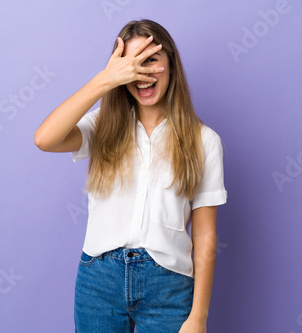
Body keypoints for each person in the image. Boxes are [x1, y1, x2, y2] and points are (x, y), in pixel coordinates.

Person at [35, 19, 227, 333]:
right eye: (130, 62)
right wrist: (104, 80)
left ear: (171, 64)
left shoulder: (205, 141)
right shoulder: (102, 127)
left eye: (151, 59)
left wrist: (198, 318)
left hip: (169, 285)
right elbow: (45, 139)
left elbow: (205, 236)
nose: (141, 72)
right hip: (99, 282)